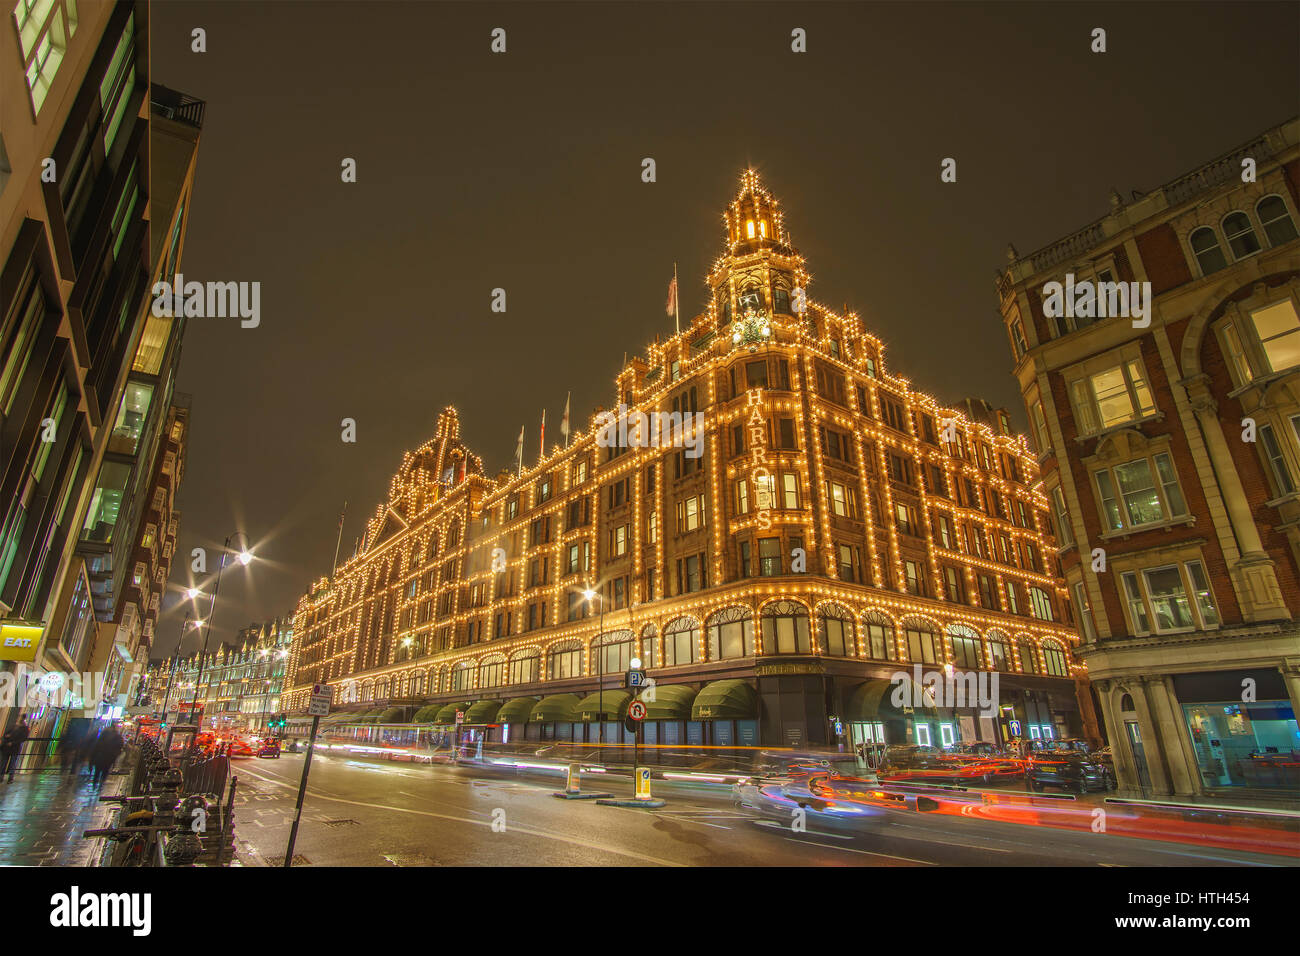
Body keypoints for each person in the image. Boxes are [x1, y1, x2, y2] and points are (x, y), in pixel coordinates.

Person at [89, 722, 124, 787]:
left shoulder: (103, 736)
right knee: (104, 772)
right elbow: (119, 748)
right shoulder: (117, 736)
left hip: (100, 757)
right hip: (108, 758)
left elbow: (95, 748)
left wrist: (91, 761)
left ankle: (95, 785)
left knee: (97, 772)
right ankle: (101, 785)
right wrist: (114, 758)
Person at [1, 716, 30, 782]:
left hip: (11, 747)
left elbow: (7, 734)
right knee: (11, 763)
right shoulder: (23, 728)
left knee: (7, 762)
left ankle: (6, 777)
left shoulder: (15, 727)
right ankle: (9, 778)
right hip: (12, 747)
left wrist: (10, 740)